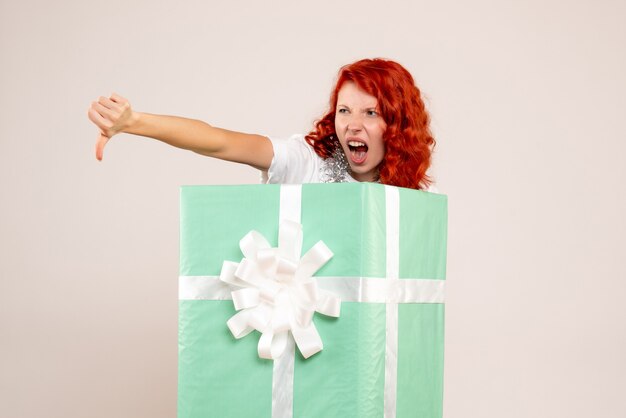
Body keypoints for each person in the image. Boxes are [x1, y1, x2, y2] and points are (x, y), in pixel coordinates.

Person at [87, 58, 435, 190]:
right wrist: (135, 122)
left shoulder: (419, 196)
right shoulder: (308, 160)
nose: (353, 125)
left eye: (370, 113)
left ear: (396, 124)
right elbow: (219, 141)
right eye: (344, 111)